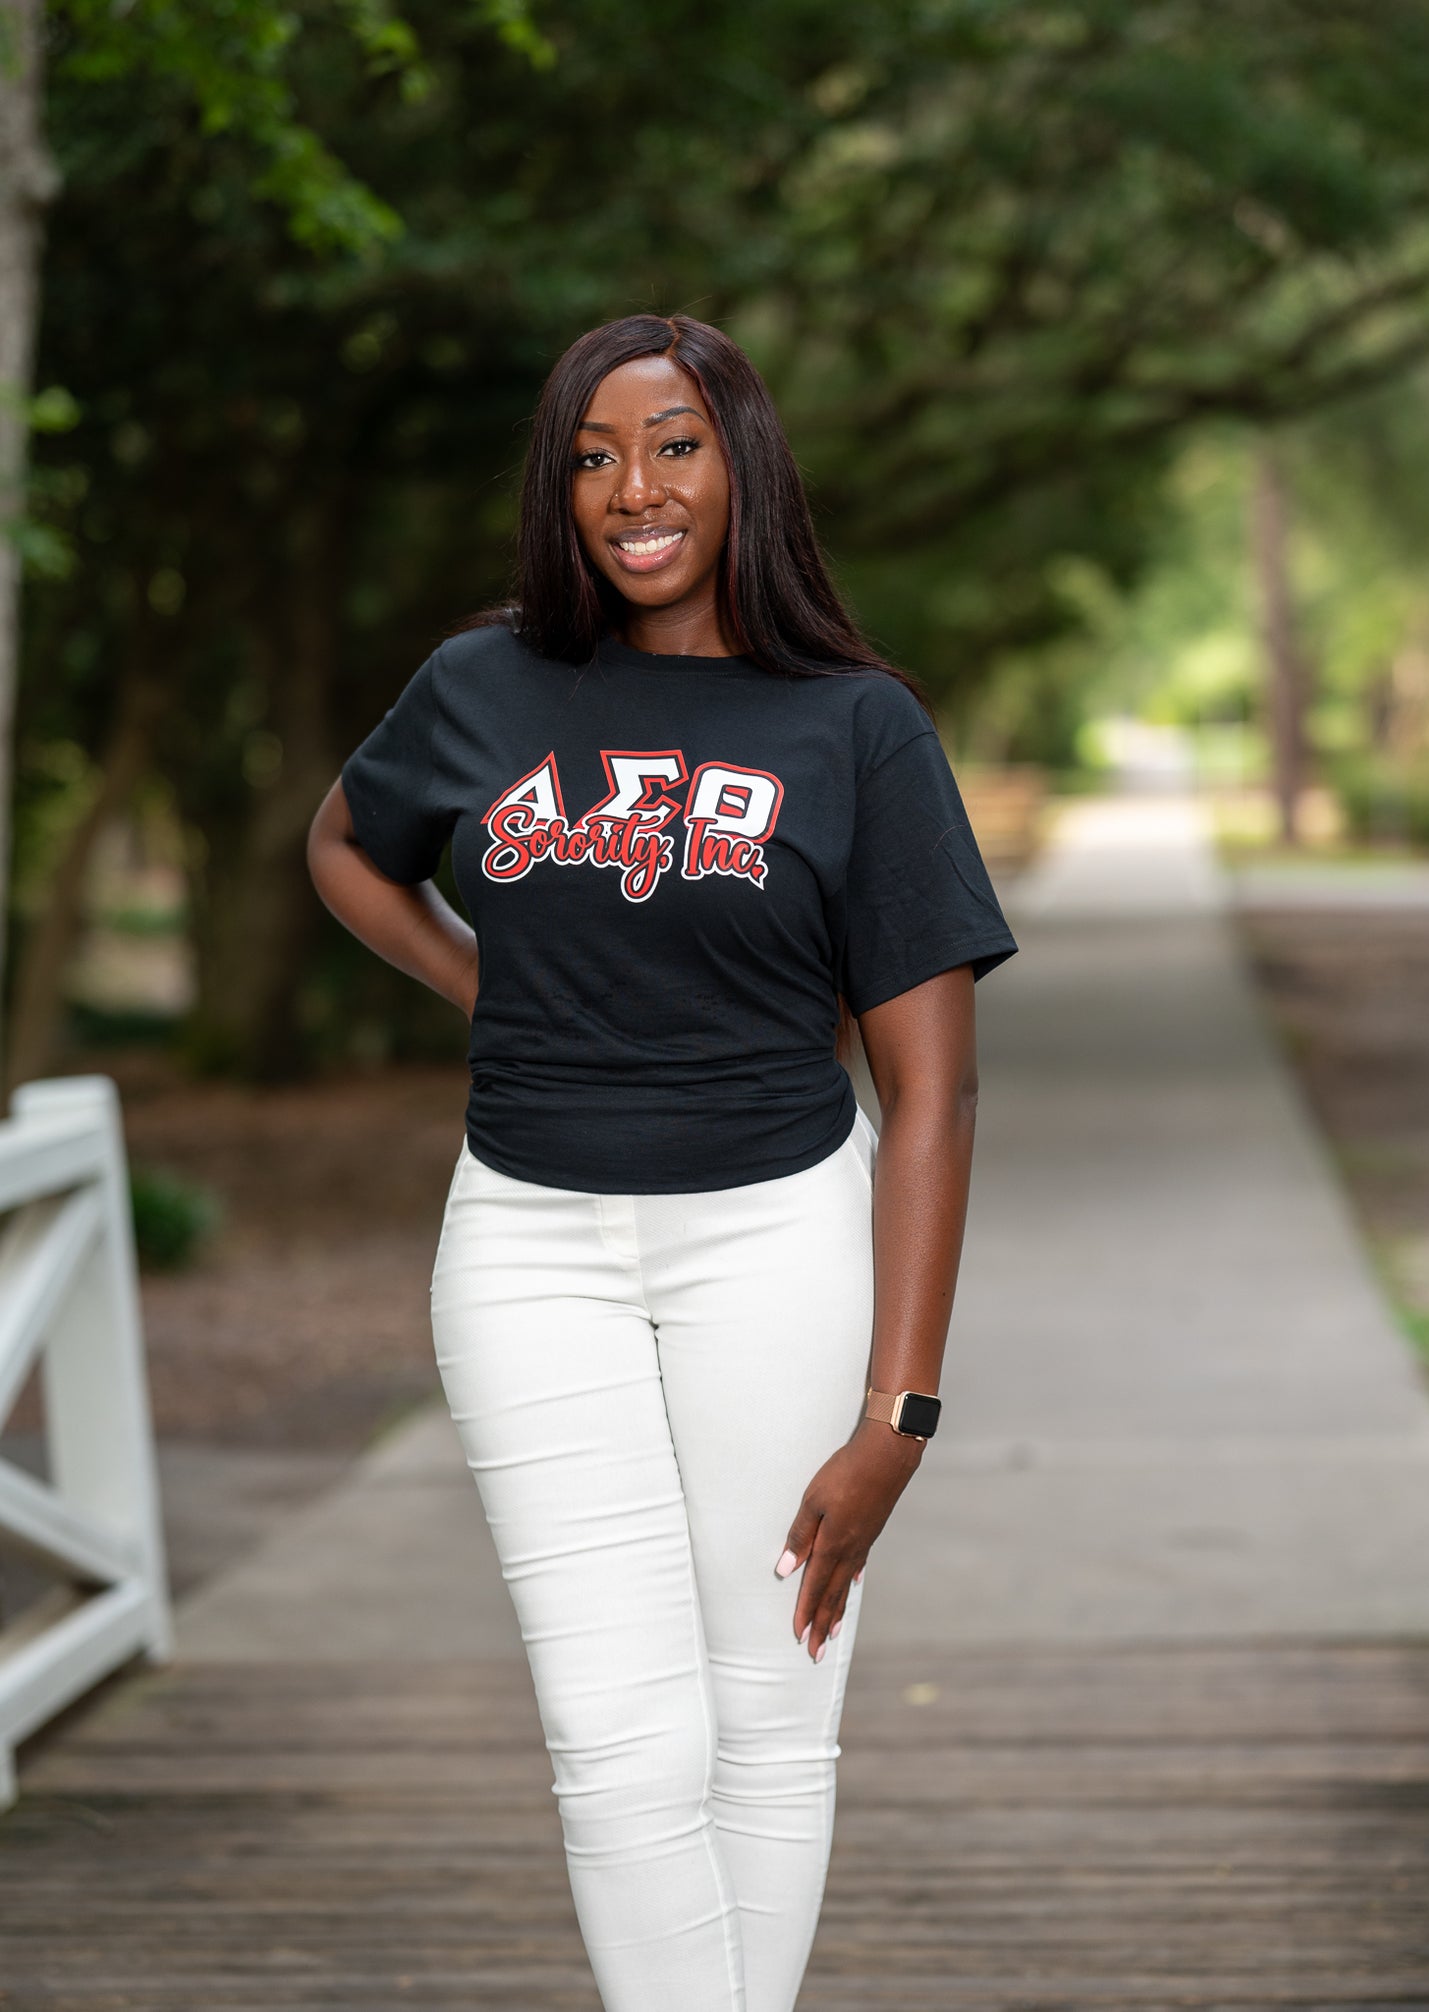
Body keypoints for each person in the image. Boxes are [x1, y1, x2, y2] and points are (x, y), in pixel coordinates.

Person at [306, 312, 1017, 2012]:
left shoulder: (855, 729)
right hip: (526, 1249)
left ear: (742, 465)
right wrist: (491, 982)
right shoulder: (482, 685)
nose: (634, 487)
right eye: (592, 455)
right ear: (560, 491)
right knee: (617, 1744)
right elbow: (347, 845)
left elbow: (933, 1096)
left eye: (675, 443)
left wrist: (895, 1414)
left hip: (773, 1241)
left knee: (765, 1720)